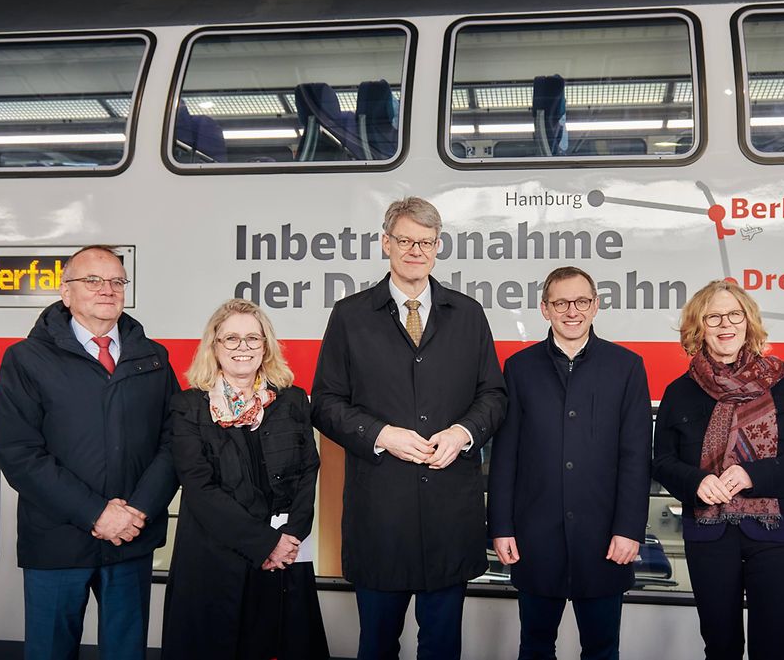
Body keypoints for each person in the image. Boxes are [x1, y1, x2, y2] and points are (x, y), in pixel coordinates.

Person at [311, 196, 507, 660]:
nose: (415, 251)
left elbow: (494, 396)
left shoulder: (469, 314)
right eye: (405, 241)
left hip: (449, 515)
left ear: (438, 247)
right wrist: (381, 435)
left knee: (441, 646)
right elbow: (325, 403)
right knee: (377, 645)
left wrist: (463, 433)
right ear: (386, 244)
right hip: (380, 515)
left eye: (426, 242)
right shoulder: (350, 315)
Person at [0, 244, 180, 660]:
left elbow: (174, 441)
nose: (106, 289)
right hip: (57, 542)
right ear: (66, 292)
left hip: (131, 539)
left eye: (116, 281)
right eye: (92, 280)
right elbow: (18, 451)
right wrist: (96, 513)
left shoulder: (153, 358)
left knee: (127, 653)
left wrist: (138, 512)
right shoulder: (26, 359)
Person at [652, 280, 784, 660]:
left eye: (734, 314)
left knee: (773, 649)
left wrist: (751, 475)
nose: (725, 324)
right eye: (713, 317)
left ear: (748, 322)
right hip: (709, 535)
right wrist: (697, 481)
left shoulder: (782, 384)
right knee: (720, 647)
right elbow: (662, 462)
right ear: (699, 327)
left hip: (776, 537)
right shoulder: (679, 391)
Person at [488, 266, 651, 660]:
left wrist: (629, 529)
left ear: (595, 305)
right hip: (535, 537)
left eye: (581, 301)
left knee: (601, 649)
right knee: (535, 646)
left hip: (605, 539)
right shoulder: (519, 367)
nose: (572, 311)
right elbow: (505, 454)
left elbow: (636, 456)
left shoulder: (627, 366)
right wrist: (501, 526)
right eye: (561, 303)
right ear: (545, 309)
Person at [161, 298, 328, 660]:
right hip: (215, 559)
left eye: (253, 338)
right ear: (215, 345)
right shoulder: (188, 407)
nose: (243, 347)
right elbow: (199, 488)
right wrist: (265, 543)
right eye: (231, 338)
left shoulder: (293, 400)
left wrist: (290, 538)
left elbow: (308, 472)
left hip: (284, 556)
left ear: (265, 346)